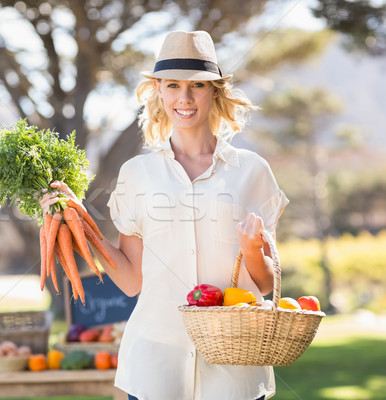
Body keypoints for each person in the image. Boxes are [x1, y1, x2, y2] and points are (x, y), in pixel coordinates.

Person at [41, 31, 288, 400]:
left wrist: (253, 248)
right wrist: (80, 222)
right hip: (155, 366)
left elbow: (266, 284)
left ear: (215, 91)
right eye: (173, 85)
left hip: (234, 371)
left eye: (197, 86)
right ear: (158, 90)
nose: (184, 98)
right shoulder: (137, 173)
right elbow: (130, 281)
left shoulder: (251, 171)